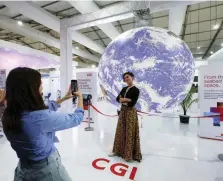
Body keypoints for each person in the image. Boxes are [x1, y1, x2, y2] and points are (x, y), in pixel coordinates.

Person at [2, 67, 84, 181]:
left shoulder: (8, 114)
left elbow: (43, 110)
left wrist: (64, 98)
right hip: (47, 171)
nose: (42, 87)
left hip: (23, 168)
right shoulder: (40, 118)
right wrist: (80, 96)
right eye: (40, 84)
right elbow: (77, 118)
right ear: (30, 90)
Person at [109, 72, 142, 162]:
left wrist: (124, 99)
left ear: (132, 77)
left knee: (129, 132)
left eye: (127, 77)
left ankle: (128, 154)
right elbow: (117, 99)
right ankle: (117, 151)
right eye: (125, 78)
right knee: (120, 131)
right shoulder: (124, 88)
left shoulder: (136, 90)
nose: (126, 79)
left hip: (131, 113)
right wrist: (126, 100)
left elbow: (132, 103)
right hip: (123, 111)